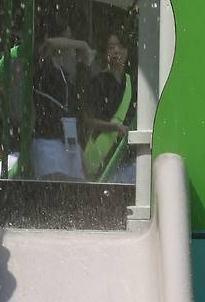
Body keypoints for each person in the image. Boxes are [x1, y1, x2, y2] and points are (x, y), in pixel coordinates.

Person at [31, 20, 95, 180]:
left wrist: (84, 62)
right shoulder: (41, 64)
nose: (68, 46)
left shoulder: (64, 74)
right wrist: (82, 45)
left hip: (67, 142)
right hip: (47, 143)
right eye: (66, 40)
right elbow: (50, 44)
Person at [83, 31, 135, 182]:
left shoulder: (132, 83)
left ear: (127, 51)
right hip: (102, 156)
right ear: (105, 52)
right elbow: (88, 120)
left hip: (126, 158)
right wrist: (115, 128)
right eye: (112, 47)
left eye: (120, 46)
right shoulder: (98, 82)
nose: (116, 51)